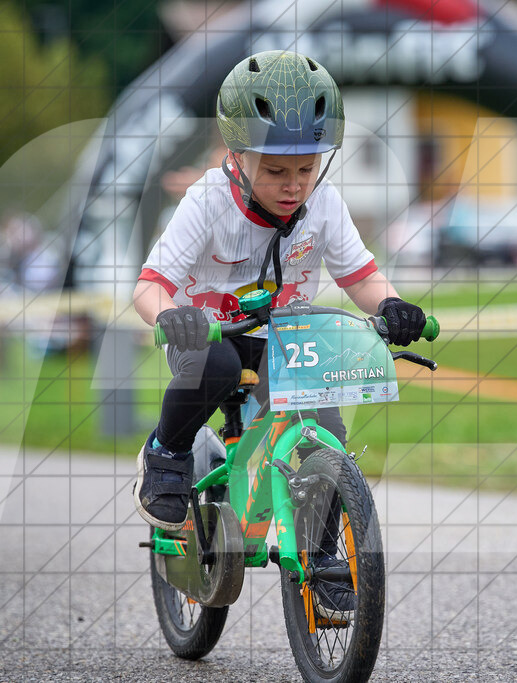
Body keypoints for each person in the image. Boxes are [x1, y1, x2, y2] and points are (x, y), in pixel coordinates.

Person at [131, 51, 426, 531]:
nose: (293, 187)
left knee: (325, 436)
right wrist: (170, 315)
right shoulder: (206, 201)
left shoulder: (324, 204)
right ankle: (167, 451)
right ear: (236, 157)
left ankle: (324, 554)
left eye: (306, 170)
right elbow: (149, 288)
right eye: (274, 172)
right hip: (207, 341)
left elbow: (362, 277)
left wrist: (392, 305)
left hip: (284, 343)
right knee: (220, 365)